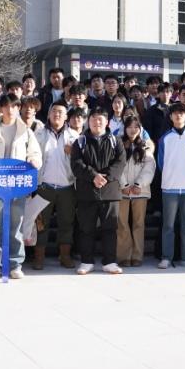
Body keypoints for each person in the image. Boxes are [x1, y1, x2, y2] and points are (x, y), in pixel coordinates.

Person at [0, 94, 43, 280]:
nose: (9, 110)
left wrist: (34, 161)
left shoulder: (26, 132)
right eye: (6, 106)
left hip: (17, 186)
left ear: (18, 108)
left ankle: (15, 264)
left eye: (13, 106)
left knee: (16, 225)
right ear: (0, 109)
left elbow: (35, 153)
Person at [70, 110, 126, 275]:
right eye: (93, 119)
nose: (97, 122)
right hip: (87, 192)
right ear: (88, 122)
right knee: (86, 228)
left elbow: (120, 163)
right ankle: (87, 261)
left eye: (100, 119)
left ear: (107, 122)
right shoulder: (80, 141)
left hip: (110, 192)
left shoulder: (116, 141)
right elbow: (76, 164)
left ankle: (110, 262)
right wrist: (93, 176)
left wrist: (105, 177)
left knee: (110, 228)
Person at [33, 101, 80, 269]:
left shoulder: (74, 135)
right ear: (48, 114)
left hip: (67, 187)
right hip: (44, 186)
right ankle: (39, 257)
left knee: (66, 223)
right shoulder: (38, 134)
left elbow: (82, 159)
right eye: (54, 111)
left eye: (61, 112)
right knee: (41, 223)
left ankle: (65, 256)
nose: (57, 114)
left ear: (66, 116)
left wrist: (74, 152)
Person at [156, 102, 185, 269]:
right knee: (168, 225)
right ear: (170, 116)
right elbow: (161, 162)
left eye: (182, 112)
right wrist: (170, 175)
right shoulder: (165, 138)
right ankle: (166, 257)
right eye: (175, 113)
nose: (178, 115)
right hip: (169, 186)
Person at [117, 116, 155, 267]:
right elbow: (116, 166)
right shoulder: (118, 144)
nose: (133, 130)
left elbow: (150, 167)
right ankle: (124, 256)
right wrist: (124, 185)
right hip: (122, 191)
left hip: (141, 191)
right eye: (129, 127)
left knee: (139, 224)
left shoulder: (145, 145)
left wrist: (139, 184)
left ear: (140, 129)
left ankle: (137, 255)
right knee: (122, 224)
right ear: (125, 129)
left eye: (136, 127)